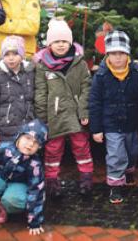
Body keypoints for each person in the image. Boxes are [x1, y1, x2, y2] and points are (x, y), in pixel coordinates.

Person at [34, 19, 93, 198]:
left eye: (64, 41)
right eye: (56, 42)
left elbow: (86, 88)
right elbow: (40, 93)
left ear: (70, 42)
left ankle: (86, 178)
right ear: (50, 44)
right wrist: (43, 117)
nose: (61, 45)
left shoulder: (79, 63)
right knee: (53, 149)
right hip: (55, 116)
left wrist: (84, 111)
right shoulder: (43, 66)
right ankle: (52, 181)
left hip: (76, 114)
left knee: (81, 146)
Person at [89, 31, 138, 204]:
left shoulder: (137, 73)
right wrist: (96, 129)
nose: (118, 57)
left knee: (132, 151)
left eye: (121, 53)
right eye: (114, 53)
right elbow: (95, 103)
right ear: (108, 54)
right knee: (116, 155)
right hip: (111, 124)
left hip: (133, 122)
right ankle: (115, 185)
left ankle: (129, 171)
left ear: (127, 54)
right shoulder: (101, 76)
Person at [0, 119, 48, 235]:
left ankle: (4, 207)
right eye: (27, 138)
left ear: (39, 147)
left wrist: (35, 221)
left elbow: (36, 191)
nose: (30, 144)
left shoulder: (35, 165)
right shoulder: (3, 148)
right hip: (1, 176)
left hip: (19, 184)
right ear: (19, 136)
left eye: (36, 142)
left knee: (13, 200)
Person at [0, 35, 35, 147]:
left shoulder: (30, 74)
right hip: (6, 130)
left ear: (22, 56)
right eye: (7, 54)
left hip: (28, 127)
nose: (11, 58)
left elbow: (34, 100)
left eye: (15, 54)